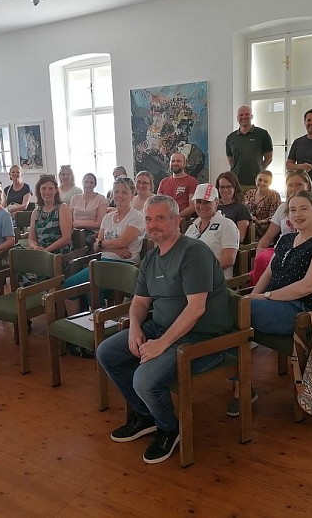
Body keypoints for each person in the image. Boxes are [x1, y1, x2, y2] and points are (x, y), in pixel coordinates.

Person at [96, 195, 233, 464]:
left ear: (176, 220)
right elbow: (139, 302)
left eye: (160, 218)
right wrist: (135, 327)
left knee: (144, 379)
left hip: (200, 338)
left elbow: (196, 308)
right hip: (160, 327)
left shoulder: (193, 252)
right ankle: (145, 414)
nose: (152, 225)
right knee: (107, 353)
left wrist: (161, 344)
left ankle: (169, 428)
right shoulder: (151, 258)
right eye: (148, 219)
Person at [243, 191, 312, 415]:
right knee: (234, 308)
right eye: (293, 210)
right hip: (274, 305)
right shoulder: (286, 239)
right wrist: (251, 297)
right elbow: (269, 272)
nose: (297, 214)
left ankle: (240, 385)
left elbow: (309, 286)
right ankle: (240, 383)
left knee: (231, 313)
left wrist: (264, 297)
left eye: (304, 209)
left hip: (300, 311)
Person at [62, 176, 145, 316]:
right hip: (104, 262)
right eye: (116, 191)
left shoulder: (137, 217)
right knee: (69, 284)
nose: (119, 195)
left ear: (132, 194)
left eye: (124, 192)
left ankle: (101, 322)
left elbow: (122, 242)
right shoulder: (108, 217)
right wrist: (112, 248)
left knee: (93, 286)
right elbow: (96, 246)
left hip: (125, 265)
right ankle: (76, 320)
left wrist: (103, 244)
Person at [251, 170, 312, 285]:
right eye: (290, 185)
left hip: (306, 251)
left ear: (308, 186)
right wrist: (259, 251)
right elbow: (268, 236)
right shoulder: (282, 208)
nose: (294, 188)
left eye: (299, 184)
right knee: (262, 259)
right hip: (282, 249)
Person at [184, 183, 239, 279]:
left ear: (216, 203)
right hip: (189, 278)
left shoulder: (227, 225)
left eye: (206, 202)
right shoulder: (191, 228)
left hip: (214, 280)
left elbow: (228, 260)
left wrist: (199, 272)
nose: (202, 206)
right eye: (198, 202)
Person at [225, 105, 273, 189]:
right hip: (236, 183)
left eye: (247, 114)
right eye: (241, 115)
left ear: (252, 116)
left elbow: (268, 158)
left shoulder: (262, 134)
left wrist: (260, 171)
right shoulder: (231, 138)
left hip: (256, 183)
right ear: (237, 118)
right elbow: (231, 161)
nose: (244, 117)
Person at [28, 174, 73, 255]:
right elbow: (31, 239)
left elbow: (66, 238)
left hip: (59, 254)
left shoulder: (62, 208)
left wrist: (46, 251)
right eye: (44, 188)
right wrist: (35, 247)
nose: (47, 192)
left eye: (51, 188)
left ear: (56, 190)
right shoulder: (36, 212)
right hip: (40, 252)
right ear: (39, 190)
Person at [70, 173, 108, 246]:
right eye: (86, 182)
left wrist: (79, 224)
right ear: (82, 183)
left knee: (79, 243)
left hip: (91, 232)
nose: (88, 185)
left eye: (91, 182)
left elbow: (100, 223)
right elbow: (69, 220)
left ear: (95, 185)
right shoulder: (74, 198)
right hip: (74, 231)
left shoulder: (101, 199)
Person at [157, 152, 198, 218]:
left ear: (184, 164)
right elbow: (158, 203)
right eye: (173, 161)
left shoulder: (192, 181)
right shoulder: (163, 182)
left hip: (183, 221)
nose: (175, 163)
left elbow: (193, 206)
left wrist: (177, 217)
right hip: (164, 220)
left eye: (178, 161)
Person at [243, 170, 281, 241]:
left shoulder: (274, 195)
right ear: (255, 180)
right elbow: (242, 210)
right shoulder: (249, 193)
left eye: (266, 181)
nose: (262, 183)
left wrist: (260, 222)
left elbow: (274, 217)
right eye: (260, 180)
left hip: (264, 228)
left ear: (270, 183)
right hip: (247, 224)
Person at [215, 171, 252, 242]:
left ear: (235, 188)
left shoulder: (241, 209)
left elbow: (240, 237)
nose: (225, 190)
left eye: (229, 187)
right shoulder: (213, 207)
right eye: (222, 187)